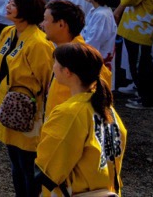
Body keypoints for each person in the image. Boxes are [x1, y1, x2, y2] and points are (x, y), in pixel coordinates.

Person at [34, 41, 125, 197]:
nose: (53, 67)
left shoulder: (69, 112)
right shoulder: (108, 110)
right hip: (106, 190)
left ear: (67, 72)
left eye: (55, 63)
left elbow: (51, 166)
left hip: (79, 191)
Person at [0, 0, 52, 197]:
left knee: (28, 166)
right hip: (9, 109)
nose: (8, 6)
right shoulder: (8, 33)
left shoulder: (40, 43)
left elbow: (47, 81)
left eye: (12, 4)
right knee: (16, 164)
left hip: (28, 114)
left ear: (25, 11)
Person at [39, 0, 110, 121]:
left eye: (46, 19)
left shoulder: (83, 59)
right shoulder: (63, 53)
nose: (42, 24)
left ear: (61, 24)